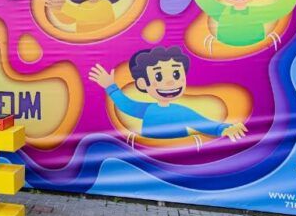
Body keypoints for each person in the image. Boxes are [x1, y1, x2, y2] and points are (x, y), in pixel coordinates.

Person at [89, 46, 247, 148]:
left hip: (178, 152)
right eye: (158, 76)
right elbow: (126, 105)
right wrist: (110, 86)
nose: (170, 82)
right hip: (150, 153)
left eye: (176, 74)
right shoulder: (147, 109)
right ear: (143, 84)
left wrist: (225, 128)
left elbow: (204, 124)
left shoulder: (182, 111)